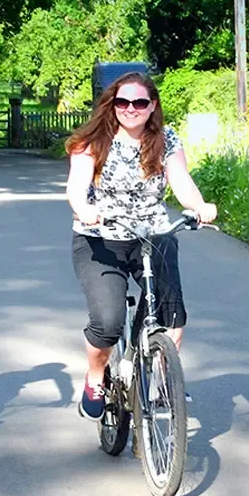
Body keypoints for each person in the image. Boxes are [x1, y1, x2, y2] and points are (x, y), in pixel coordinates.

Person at [65, 72, 218, 420]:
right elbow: (76, 186)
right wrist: (85, 209)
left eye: (139, 103)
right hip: (100, 239)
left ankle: (164, 377)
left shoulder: (166, 140)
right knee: (108, 322)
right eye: (122, 102)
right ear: (112, 104)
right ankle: (95, 377)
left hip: (153, 234)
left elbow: (181, 182)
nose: (130, 109)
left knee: (171, 314)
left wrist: (199, 206)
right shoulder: (91, 141)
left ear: (152, 107)